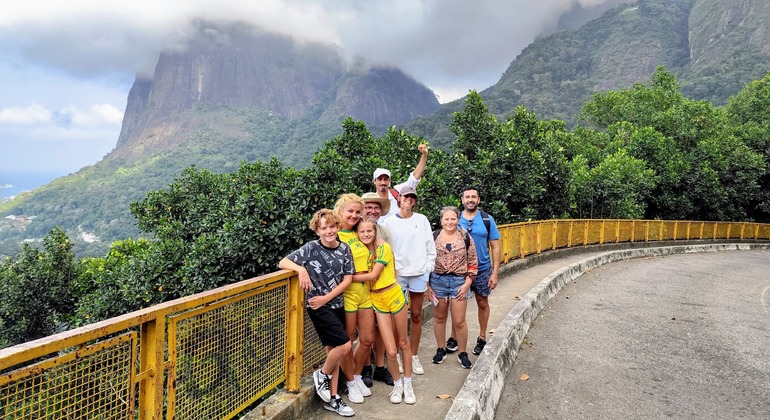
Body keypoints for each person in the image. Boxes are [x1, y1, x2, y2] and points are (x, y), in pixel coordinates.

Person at [277, 209, 355, 417]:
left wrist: (327, 298)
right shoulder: (311, 248)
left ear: (338, 227)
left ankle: (332, 397)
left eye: (331, 226)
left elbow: (347, 280)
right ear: (317, 231)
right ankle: (322, 374)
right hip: (318, 306)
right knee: (344, 344)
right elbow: (283, 262)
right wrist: (301, 270)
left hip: (335, 304)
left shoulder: (345, 249)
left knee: (334, 351)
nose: (328, 231)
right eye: (323, 228)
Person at [352, 219, 416, 404]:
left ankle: (408, 383)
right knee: (390, 350)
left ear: (375, 232)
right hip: (376, 299)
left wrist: (346, 278)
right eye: (362, 232)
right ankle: (397, 385)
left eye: (369, 231)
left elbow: (373, 275)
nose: (366, 235)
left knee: (403, 342)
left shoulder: (383, 248)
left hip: (393, 295)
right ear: (357, 234)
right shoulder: (362, 252)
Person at [381, 185, 435, 375]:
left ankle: (413, 355)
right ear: (399, 198)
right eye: (406, 196)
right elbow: (384, 249)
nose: (409, 200)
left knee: (417, 315)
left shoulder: (422, 220)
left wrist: (427, 273)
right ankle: (397, 355)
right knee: (398, 317)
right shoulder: (388, 222)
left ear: (415, 201)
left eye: (412, 197)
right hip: (397, 276)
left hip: (418, 273)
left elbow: (430, 248)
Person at [448, 187, 501, 356]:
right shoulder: (455, 220)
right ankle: (454, 337)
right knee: (456, 304)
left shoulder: (487, 220)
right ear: (462, 200)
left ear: (478, 200)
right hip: (459, 270)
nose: (470, 200)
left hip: (482, 269)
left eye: (473, 197)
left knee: (482, 302)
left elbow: (495, 247)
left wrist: (495, 273)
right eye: (467, 197)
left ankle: (482, 337)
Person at [333, 193, 374, 402]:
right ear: (341, 211)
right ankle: (349, 381)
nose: (354, 215)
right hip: (347, 295)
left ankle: (356, 375)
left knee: (367, 339)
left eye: (358, 212)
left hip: (365, 293)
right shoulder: (336, 234)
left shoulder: (359, 232)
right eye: (350, 211)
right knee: (347, 341)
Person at [427, 206, 478, 369]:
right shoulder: (433, 237)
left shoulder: (465, 237)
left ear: (458, 219)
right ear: (441, 220)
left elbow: (472, 262)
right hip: (437, 281)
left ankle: (462, 352)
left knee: (459, 321)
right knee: (439, 318)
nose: (450, 222)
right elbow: (426, 261)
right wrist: (427, 286)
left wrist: (467, 284)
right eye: (446, 219)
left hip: (459, 282)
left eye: (453, 219)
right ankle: (440, 348)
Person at [359, 192, 395, 387]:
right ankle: (365, 367)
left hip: (381, 288)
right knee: (364, 332)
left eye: (376, 207)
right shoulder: (355, 230)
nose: (372, 211)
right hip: (361, 289)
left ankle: (380, 367)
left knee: (381, 330)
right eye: (369, 207)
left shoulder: (384, 231)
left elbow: (391, 260)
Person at [373, 144, 429, 219]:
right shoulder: (371, 201)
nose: (383, 182)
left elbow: (414, 177)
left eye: (386, 179)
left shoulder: (399, 192)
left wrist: (424, 155)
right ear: (374, 181)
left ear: (389, 181)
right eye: (379, 179)